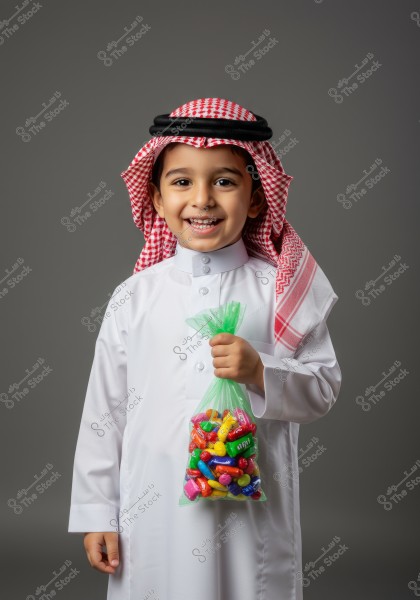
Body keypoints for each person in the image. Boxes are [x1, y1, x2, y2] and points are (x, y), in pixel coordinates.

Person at [68, 97, 342, 600]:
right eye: (181, 181)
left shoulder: (282, 291)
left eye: (224, 180)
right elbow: (103, 414)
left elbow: (322, 388)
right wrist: (95, 515)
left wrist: (263, 371)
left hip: (252, 515)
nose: (202, 199)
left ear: (257, 198)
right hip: (150, 515)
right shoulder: (134, 297)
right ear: (154, 197)